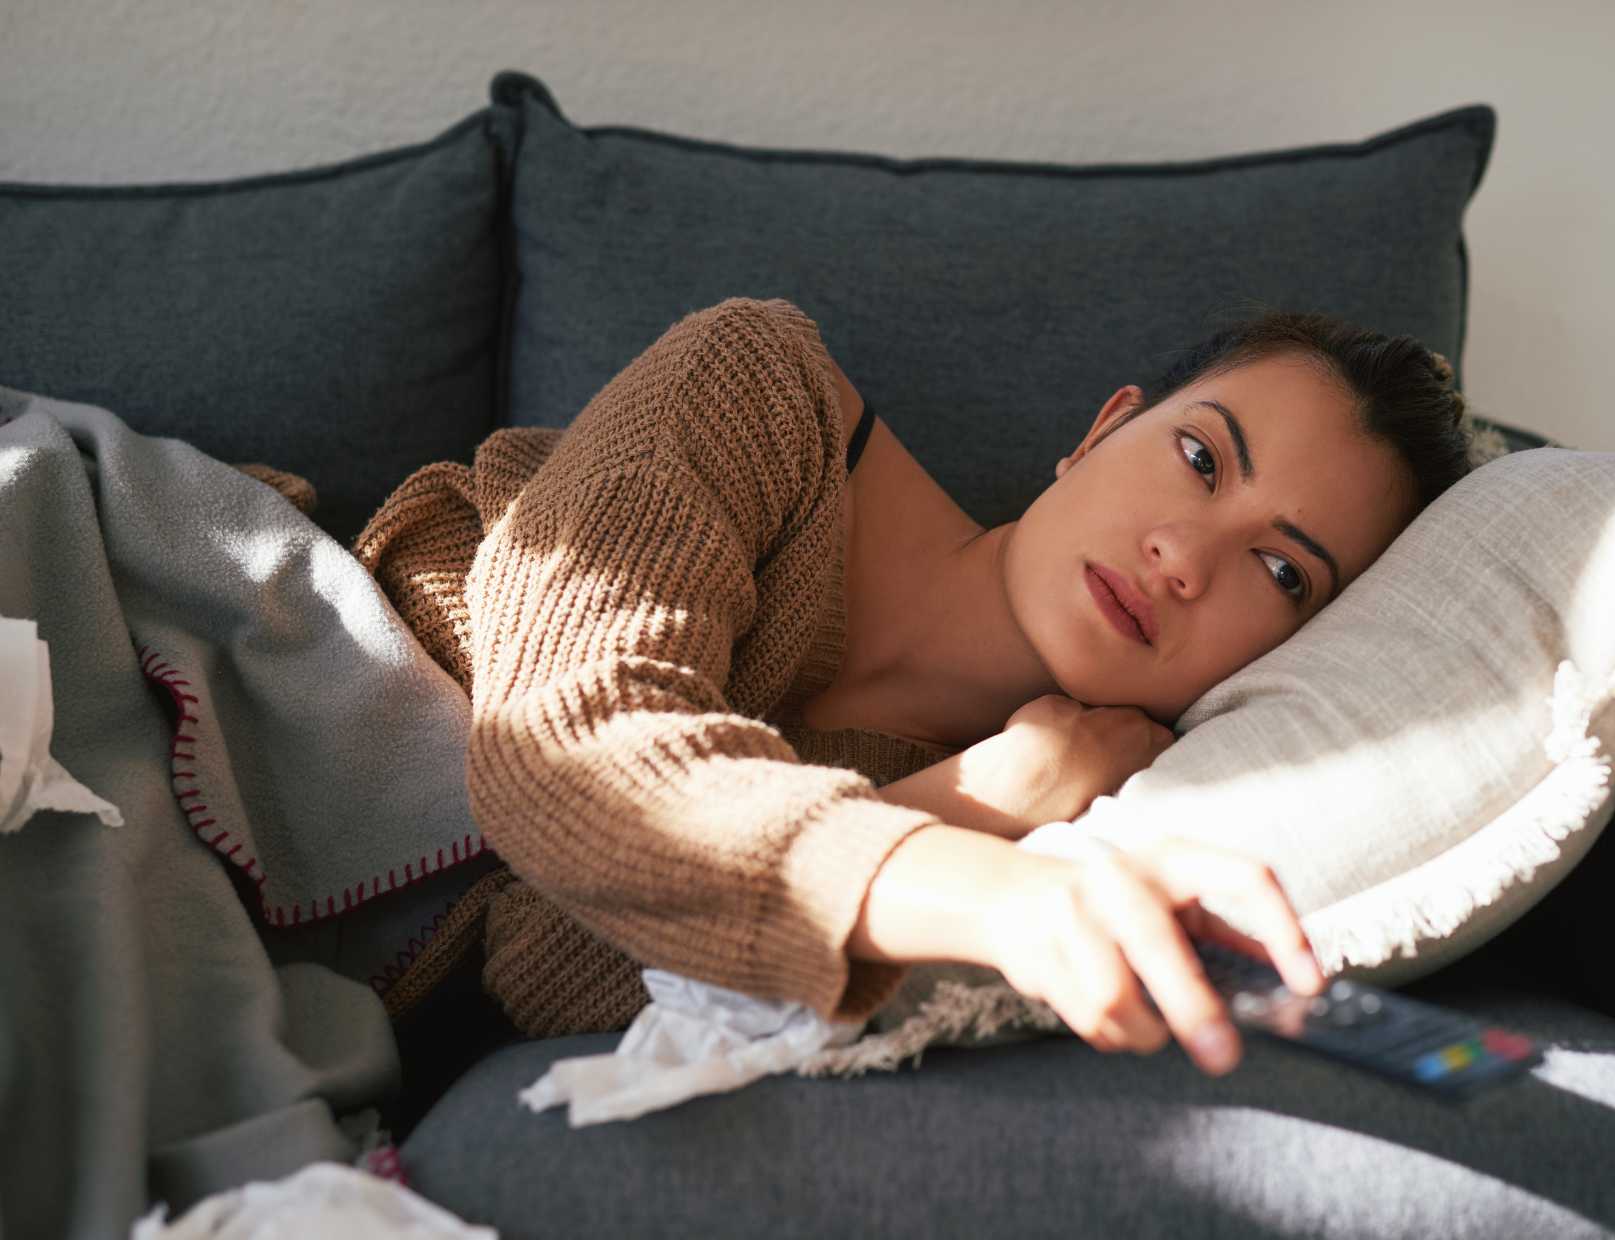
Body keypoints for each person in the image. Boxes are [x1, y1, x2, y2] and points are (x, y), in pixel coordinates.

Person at [352, 296, 1476, 1079]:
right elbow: (566, 749)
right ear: (1099, 431)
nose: (1187, 557)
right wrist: (988, 878)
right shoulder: (756, 384)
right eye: (1199, 457)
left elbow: (547, 969)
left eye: (1281, 572)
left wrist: (979, 793)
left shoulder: (1071, 791)